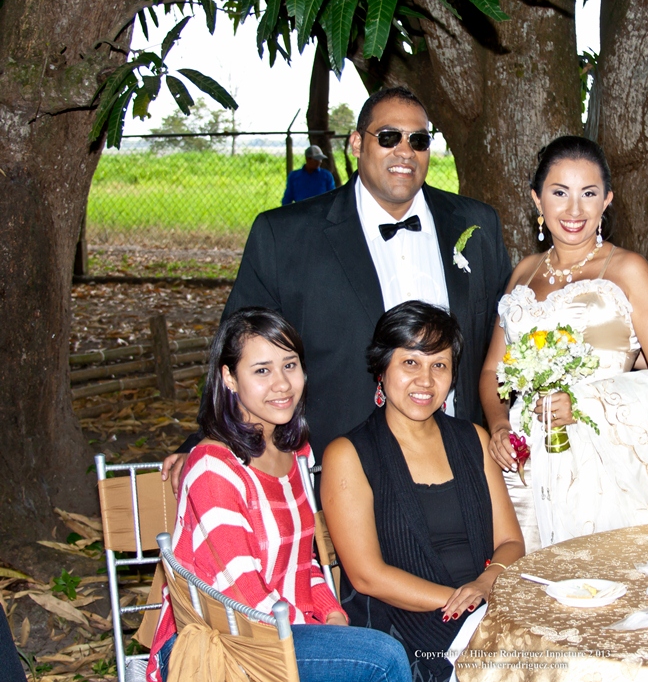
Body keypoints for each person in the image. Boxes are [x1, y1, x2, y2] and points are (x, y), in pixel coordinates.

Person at [165, 87, 511, 486]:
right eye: (389, 137)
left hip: (462, 466)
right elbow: (240, 349)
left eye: (418, 140)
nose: (405, 151)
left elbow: (505, 342)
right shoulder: (285, 237)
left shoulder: (477, 225)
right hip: (342, 474)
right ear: (357, 143)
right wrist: (207, 436)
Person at [146, 308, 411, 682]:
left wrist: (331, 613)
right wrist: (312, 627)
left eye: (290, 365)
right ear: (229, 377)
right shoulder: (212, 467)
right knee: (382, 658)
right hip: (225, 641)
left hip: (282, 627)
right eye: (261, 371)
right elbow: (239, 590)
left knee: (380, 642)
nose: (282, 384)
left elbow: (302, 564)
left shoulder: (297, 453)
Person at [480, 136, 648, 551]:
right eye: (559, 193)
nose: (574, 210)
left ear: (607, 200)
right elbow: (491, 371)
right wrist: (499, 426)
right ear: (537, 200)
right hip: (523, 465)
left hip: (602, 464)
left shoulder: (629, 271)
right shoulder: (523, 273)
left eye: (588, 194)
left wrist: (585, 403)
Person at [321, 302, 524, 682]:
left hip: (488, 608)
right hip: (405, 626)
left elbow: (510, 541)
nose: (426, 380)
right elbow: (367, 576)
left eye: (439, 365)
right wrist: (462, 602)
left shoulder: (473, 439)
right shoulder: (348, 454)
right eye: (410, 363)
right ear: (382, 368)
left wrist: (485, 584)